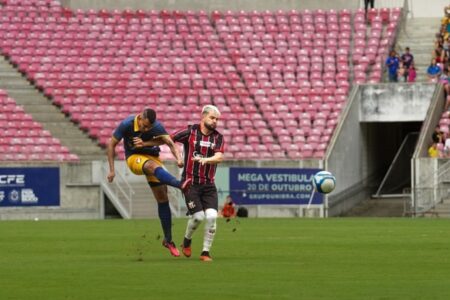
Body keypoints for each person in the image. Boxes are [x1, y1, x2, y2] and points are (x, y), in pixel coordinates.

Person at [106, 108, 192, 257]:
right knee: (152, 166)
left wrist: (178, 158)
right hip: (134, 158)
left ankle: (168, 240)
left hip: (153, 158)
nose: (145, 129)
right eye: (144, 126)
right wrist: (112, 170)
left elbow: (170, 143)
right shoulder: (127, 124)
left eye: (148, 127)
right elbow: (111, 144)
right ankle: (180, 185)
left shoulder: (156, 126)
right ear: (140, 117)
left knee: (162, 198)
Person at [172, 105, 225, 262]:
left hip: (209, 185)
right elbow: (169, 139)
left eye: (217, 119)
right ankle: (187, 240)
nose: (215, 121)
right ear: (203, 117)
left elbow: (219, 157)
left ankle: (205, 252)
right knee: (198, 217)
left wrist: (205, 160)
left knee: (212, 216)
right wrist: (178, 157)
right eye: (212, 118)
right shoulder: (190, 132)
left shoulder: (218, 137)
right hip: (190, 183)